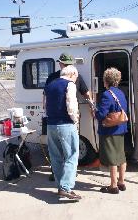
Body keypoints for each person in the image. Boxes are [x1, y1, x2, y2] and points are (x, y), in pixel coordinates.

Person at [43, 53, 93, 181]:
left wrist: (46, 113)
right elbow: (86, 94)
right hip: (69, 119)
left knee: (56, 151)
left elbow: (44, 98)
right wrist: (91, 108)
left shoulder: (52, 77)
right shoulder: (75, 78)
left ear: (60, 63)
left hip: (53, 119)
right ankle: (68, 178)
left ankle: (57, 174)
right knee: (70, 150)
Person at [44, 65, 81, 201]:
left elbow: (45, 105)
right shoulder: (69, 84)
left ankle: (60, 186)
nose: (76, 80)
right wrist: (75, 120)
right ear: (71, 74)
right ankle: (65, 188)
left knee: (56, 157)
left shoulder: (50, 85)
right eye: (76, 77)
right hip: (65, 124)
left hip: (51, 124)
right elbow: (71, 105)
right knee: (72, 155)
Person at [95, 67, 128, 194]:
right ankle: (121, 182)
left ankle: (113, 186)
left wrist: (94, 111)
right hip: (121, 128)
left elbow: (101, 114)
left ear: (106, 80)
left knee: (112, 159)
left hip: (109, 131)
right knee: (121, 157)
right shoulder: (121, 93)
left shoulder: (106, 95)